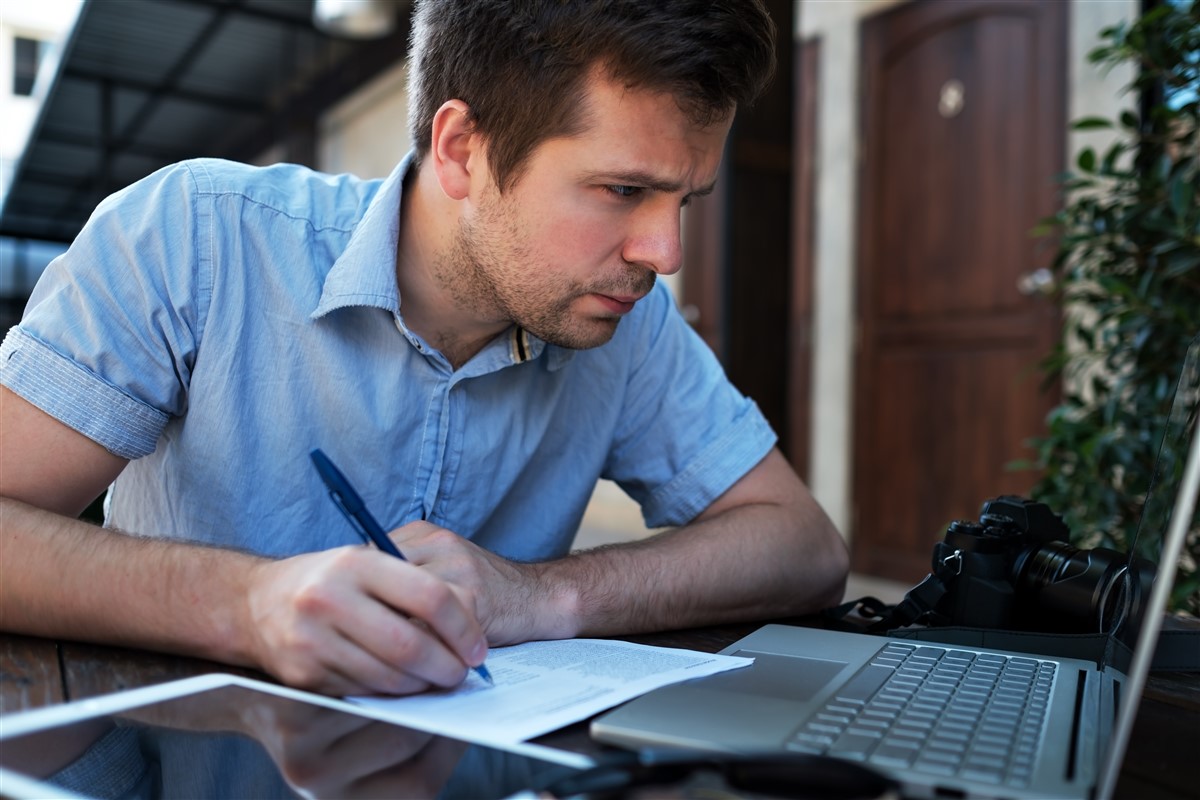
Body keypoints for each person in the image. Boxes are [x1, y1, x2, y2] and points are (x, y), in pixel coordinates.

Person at [0, 0, 848, 698]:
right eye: (623, 190)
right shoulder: (194, 237)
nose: (663, 254)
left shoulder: (626, 319)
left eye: (684, 202)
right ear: (461, 149)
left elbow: (804, 547)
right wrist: (247, 603)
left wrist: (543, 595)